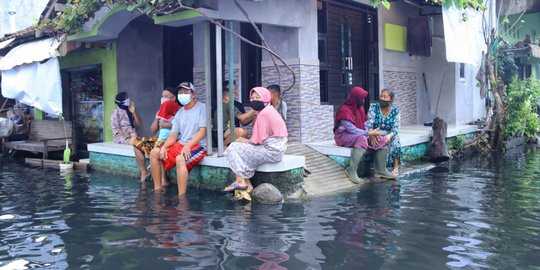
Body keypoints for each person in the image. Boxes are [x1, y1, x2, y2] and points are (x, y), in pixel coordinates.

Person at [223, 87, 288, 192]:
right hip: (276, 150)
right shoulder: (269, 110)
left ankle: (240, 181)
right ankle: (248, 186)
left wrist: (243, 142)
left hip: (271, 151)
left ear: (266, 98)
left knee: (233, 147)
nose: (254, 100)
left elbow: (257, 141)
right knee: (239, 147)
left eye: (258, 97)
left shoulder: (264, 114)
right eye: (252, 98)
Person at [149, 82, 207, 195]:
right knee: (155, 152)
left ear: (193, 94)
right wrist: (165, 146)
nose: (183, 94)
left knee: (180, 158)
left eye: (186, 92)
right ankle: (157, 189)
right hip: (181, 144)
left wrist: (188, 145)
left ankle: (181, 198)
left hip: (198, 145)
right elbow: (173, 135)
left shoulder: (202, 108)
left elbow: (202, 132)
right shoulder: (180, 112)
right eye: (181, 92)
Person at [334, 86, 396, 183]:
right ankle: (351, 170)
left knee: (380, 139)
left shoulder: (359, 108)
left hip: (357, 134)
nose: (363, 100)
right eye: (361, 98)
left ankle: (380, 170)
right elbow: (351, 129)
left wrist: (371, 134)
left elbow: (365, 123)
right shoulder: (344, 110)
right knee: (362, 139)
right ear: (355, 98)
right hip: (343, 136)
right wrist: (368, 133)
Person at [132, 88, 180, 183]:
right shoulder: (161, 111)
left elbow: (183, 129)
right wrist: (157, 118)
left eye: (166, 96)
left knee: (159, 149)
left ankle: (164, 179)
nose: (163, 98)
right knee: (136, 144)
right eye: (162, 96)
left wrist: (167, 125)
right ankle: (144, 173)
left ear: (173, 98)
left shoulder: (178, 110)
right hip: (160, 139)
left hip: (174, 141)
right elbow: (153, 130)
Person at [366, 89, 402, 176]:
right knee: (378, 140)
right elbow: (369, 124)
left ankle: (395, 166)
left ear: (391, 100)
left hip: (389, 133)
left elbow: (396, 128)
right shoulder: (374, 107)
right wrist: (372, 134)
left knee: (396, 139)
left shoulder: (395, 110)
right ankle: (380, 168)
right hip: (375, 133)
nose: (382, 98)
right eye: (381, 96)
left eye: (385, 97)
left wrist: (389, 136)